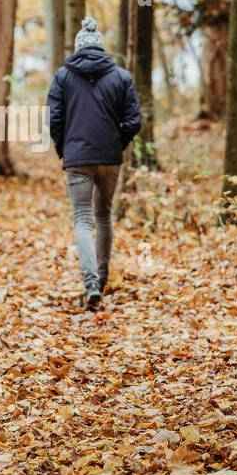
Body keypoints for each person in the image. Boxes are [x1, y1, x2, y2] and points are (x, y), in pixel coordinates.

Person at [46, 17, 142, 310]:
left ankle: (89, 285)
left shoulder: (63, 77)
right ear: (101, 48)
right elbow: (134, 120)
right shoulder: (122, 77)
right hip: (110, 158)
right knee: (104, 216)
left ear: (77, 49)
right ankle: (101, 279)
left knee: (83, 219)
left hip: (77, 158)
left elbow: (54, 119)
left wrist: (65, 149)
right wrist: (119, 143)